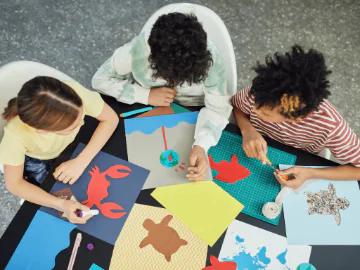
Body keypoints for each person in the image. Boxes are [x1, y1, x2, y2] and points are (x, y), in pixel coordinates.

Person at [92, 11, 232, 181]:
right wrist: (146, 95)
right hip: (144, 104)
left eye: (182, 79)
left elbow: (218, 109)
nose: (172, 82)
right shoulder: (137, 50)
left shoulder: (212, 61)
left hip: (195, 111)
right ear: (152, 56)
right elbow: (100, 80)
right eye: (166, 76)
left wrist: (201, 145)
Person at [232, 45, 360, 189]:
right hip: (252, 142)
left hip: (298, 158)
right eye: (255, 104)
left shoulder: (331, 126)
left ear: (295, 118)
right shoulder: (261, 92)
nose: (254, 111)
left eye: (266, 114)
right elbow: (237, 106)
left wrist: (309, 173)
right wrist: (247, 129)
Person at [0, 76, 119, 224]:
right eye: (72, 126)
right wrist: (61, 204)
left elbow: (111, 118)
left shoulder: (74, 95)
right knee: (50, 192)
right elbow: (14, 184)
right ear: (42, 131)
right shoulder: (15, 137)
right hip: (37, 159)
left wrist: (81, 161)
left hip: (67, 146)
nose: (82, 122)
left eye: (81, 115)